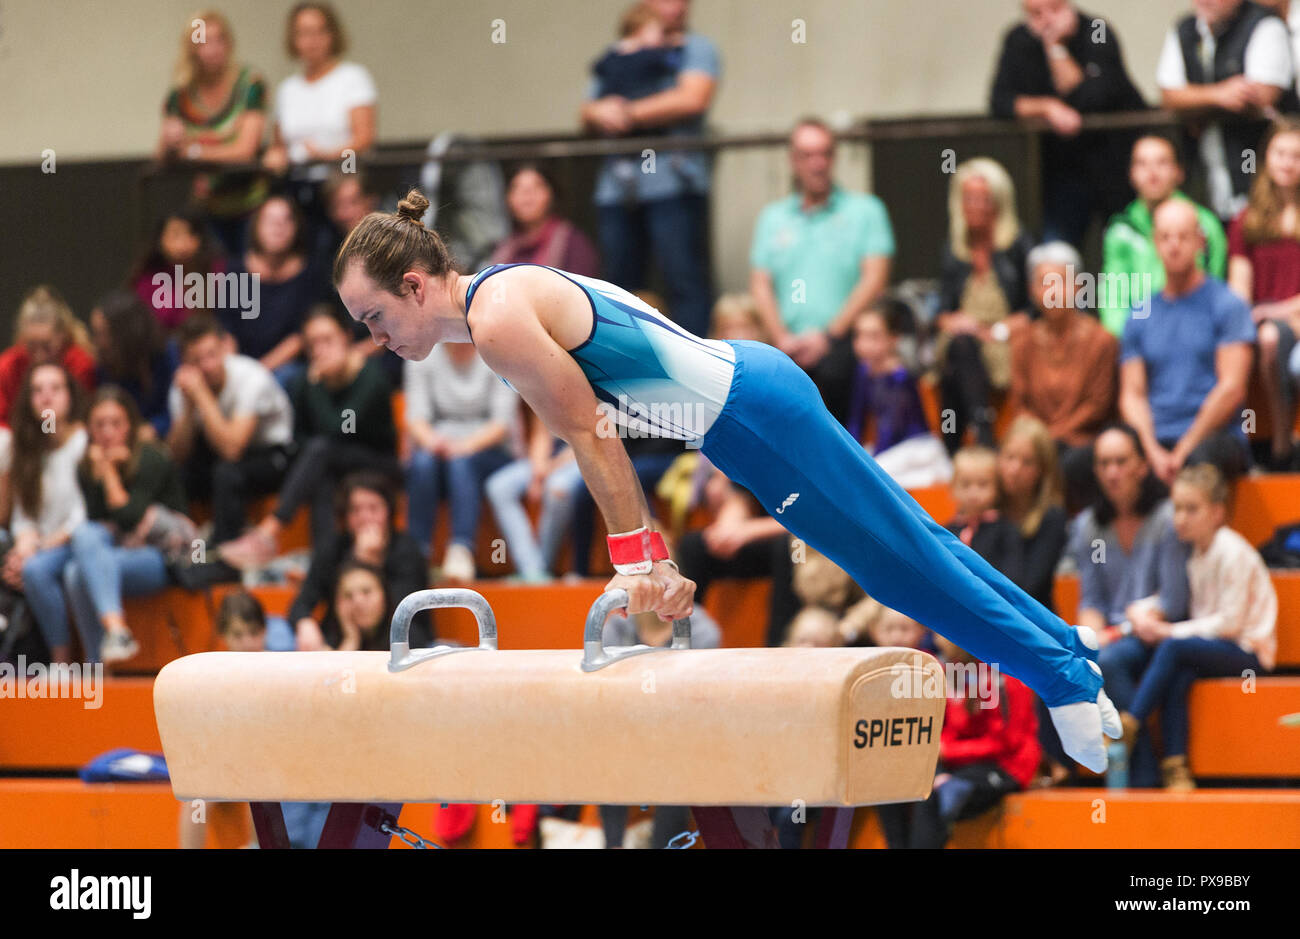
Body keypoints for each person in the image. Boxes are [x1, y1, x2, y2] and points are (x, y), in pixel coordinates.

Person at [332, 190, 1123, 772]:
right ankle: (1068, 648)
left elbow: (591, 432)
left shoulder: (499, 321)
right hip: (744, 407)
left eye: (371, 318)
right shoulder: (498, 300)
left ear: (411, 285)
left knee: (895, 565)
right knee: (912, 540)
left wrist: (640, 558)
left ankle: (1057, 681)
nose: (374, 339)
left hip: (747, 417)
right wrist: (646, 556)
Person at [1120, 463, 1277, 790]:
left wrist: (1168, 632)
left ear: (1217, 512)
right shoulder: (1195, 554)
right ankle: (1176, 766)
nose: (1181, 518)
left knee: (1174, 648)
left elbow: (1230, 623)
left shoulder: (1231, 551)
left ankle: (1130, 723)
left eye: (1192, 509)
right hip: (1220, 647)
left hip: (1250, 652)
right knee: (1180, 674)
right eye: (1177, 508)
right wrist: (1143, 609)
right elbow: (1176, 599)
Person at [217, 305, 398, 568]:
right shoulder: (303, 382)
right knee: (320, 474)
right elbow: (298, 436)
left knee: (322, 450)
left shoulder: (370, 378)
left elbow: (338, 428)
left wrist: (318, 387)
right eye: (313, 344)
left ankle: (270, 530)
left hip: (377, 462)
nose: (320, 350)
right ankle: (323, 566)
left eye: (328, 340)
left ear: (347, 337)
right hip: (328, 463)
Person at [580, 0, 719, 339]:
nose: (677, 6)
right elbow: (588, 110)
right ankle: (625, 367)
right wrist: (600, 113)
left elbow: (692, 99)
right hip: (618, 188)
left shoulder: (694, 48)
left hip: (674, 184)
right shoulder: (617, 52)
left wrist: (624, 113)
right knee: (617, 288)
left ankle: (694, 365)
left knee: (684, 282)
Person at [750, 118, 895, 424]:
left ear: (834, 157)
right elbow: (760, 284)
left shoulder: (865, 211)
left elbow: (875, 277)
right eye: (807, 155)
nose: (818, 164)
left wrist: (829, 336)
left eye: (825, 153)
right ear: (793, 161)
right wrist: (781, 337)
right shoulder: (773, 218)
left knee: (835, 376)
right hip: (785, 347)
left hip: (845, 345)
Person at [1077, 424, 1191, 787]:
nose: (1112, 472)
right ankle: (1062, 772)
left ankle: (1143, 776)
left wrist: (1115, 632)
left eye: (1121, 461)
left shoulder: (1167, 519)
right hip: (1116, 636)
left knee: (1109, 661)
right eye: (1104, 463)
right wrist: (1091, 636)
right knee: (1066, 662)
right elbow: (1091, 599)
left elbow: (1173, 601)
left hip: (1158, 633)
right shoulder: (1088, 526)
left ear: (1142, 465)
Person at [1119, 200, 1256, 485]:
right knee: (1111, 460)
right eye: (1166, 237)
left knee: (1196, 465)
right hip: (1157, 439)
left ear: (1200, 242)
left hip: (1216, 437)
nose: (1174, 245)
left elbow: (1231, 388)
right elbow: (1132, 395)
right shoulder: (1139, 314)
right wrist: (1151, 450)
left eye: (1183, 236)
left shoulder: (1227, 305)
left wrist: (1183, 450)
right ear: (1154, 243)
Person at [989, 0, 1146, 247]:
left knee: (1125, 245)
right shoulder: (1018, 40)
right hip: (1062, 175)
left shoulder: (1097, 30)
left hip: (1114, 167)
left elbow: (1093, 98)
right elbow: (1000, 101)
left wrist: (1056, 48)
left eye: (1054, 9)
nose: (1047, 20)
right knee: (1056, 252)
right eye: (1036, 14)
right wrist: (1047, 107)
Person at [876, 633, 1041, 849]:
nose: (935, 640)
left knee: (937, 791)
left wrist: (948, 751)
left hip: (1005, 766)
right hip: (959, 764)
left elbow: (1007, 742)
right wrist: (933, 748)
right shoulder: (949, 670)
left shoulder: (1003, 676)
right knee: (888, 781)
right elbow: (947, 728)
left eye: (940, 633)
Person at [67, 388, 191, 664]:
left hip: (162, 557)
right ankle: (105, 653)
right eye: (99, 424)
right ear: (89, 428)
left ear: (130, 426)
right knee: (76, 568)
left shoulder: (151, 458)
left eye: (116, 424)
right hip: (116, 553)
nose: (107, 432)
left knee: (83, 568)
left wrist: (109, 473)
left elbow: (128, 517)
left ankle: (107, 647)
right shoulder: (86, 467)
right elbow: (97, 521)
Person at [1156, 0, 1298, 222]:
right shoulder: (1185, 29)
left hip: (1259, 174)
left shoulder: (1264, 24)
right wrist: (1218, 94)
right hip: (1207, 172)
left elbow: (1261, 95)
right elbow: (1168, 96)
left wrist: (1194, 101)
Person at [166, 315, 295, 550]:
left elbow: (232, 450)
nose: (207, 366)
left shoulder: (250, 376)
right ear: (184, 361)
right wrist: (187, 409)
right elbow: (175, 455)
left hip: (274, 455)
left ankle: (226, 555)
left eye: (212, 355)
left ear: (225, 348)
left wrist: (202, 397)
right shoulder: (181, 387)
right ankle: (182, 548)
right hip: (219, 453)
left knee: (227, 472)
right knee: (175, 474)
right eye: (197, 360)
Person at [936, 158, 1037, 453]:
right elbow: (940, 310)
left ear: (999, 202)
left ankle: (956, 446)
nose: (976, 206)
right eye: (969, 198)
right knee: (960, 346)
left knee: (960, 352)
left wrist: (998, 329)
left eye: (984, 199)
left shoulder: (1018, 244)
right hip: (965, 339)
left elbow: (1036, 306)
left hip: (1004, 338)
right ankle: (980, 434)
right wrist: (956, 322)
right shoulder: (954, 249)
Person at [262, 2, 377, 261]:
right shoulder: (288, 89)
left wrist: (326, 155)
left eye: (319, 32)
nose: (312, 41)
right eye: (303, 33)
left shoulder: (352, 78)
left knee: (341, 258)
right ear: (293, 40)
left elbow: (364, 138)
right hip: (297, 189)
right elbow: (279, 142)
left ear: (332, 35)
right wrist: (275, 155)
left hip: (339, 184)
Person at [1011, 241, 1119, 510]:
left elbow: (1097, 406)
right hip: (1038, 445)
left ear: (1079, 287)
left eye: (1060, 282)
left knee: (1066, 463)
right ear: (1031, 290)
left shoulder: (1102, 341)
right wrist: (1041, 440)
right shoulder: (1022, 342)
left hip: (1084, 442)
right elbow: (1020, 403)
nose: (1052, 292)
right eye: (1044, 283)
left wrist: (1051, 437)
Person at [154, 9, 268, 258]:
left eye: (219, 40)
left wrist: (194, 150)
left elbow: (244, 151)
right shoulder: (181, 94)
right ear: (191, 48)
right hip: (207, 209)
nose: (213, 48)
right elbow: (162, 158)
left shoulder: (250, 84)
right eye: (204, 41)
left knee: (248, 285)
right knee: (214, 284)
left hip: (250, 205)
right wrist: (170, 142)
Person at [403, 337, 519, 580]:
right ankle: (417, 552)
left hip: (491, 451)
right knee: (421, 463)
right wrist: (434, 442)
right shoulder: (422, 352)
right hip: (440, 447)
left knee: (461, 463)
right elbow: (416, 418)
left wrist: (463, 446)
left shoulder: (499, 351)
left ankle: (461, 549)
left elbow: (501, 424)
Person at [1099, 135, 1228, 337]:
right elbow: (1113, 298)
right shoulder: (1120, 229)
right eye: (1142, 164)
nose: (1152, 172)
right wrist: (1130, 342)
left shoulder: (1204, 224)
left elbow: (1215, 288)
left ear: (1179, 171)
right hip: (1137, 337)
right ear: (1131, 173)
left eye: (1162, 162)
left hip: (1193, 335)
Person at [1227, 118, 1300, 469]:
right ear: (1266, 158)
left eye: (1296, 155)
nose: (1287, 162)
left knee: (1270, 338)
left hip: (1292, 318)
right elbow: (1238, 286)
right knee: (1236, 342)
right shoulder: (1247, 220)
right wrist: (1242, 316)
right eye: (1280, 153)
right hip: (1258, 316)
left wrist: (1279, 311)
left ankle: (1283, 444)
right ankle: (1243, 444)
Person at [3, 364, 88, 665]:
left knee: (36, 570)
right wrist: (24, 545)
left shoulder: (83, 443)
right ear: (27, 399)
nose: (46, 397)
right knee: (17, 562)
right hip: (41, 546)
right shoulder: (24, 448)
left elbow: (83, 514)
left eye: (55, 388)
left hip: (76, 542)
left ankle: (60, 661)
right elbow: (23, 515)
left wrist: (38, 549)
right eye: (37, 390)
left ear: (70, 396)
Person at [290, 471, 428, 652]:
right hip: (342, 636)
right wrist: (304, 622)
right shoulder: (333, 547)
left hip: (398, 638)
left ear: (388, 511)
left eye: (373, 508)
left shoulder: (407, 550)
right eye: (355, 510)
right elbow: (302, 602)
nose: (364, 518)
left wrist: (364, 562)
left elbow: (399, 612)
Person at [223, 194, 326, 390]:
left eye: (286, 220)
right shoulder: (235, 269)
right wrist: (236, 370)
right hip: (241, 362)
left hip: (288, 366)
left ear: (297, 227)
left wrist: (260, 370)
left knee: (289, 379)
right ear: (256, 226)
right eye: (271, 221)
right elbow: (227, 330)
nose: (279, 228)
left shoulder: (310, 272)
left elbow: (301, 335)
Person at [846, 301, 952, 489]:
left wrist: (867, 461)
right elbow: (856, 420)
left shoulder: (900, 376)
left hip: (916, 447)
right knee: (850, 467)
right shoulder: (863, 371)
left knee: (870, 475)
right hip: (891, 448)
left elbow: (891, 429)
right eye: (859, 335)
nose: (864, 344)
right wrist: (850, 453)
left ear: (893, 338)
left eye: (874, 336)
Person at [0, 286, 97, 429]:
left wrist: (48, 434)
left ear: (62, 335)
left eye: (47, 346)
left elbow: (79, 419)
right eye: (32, 346)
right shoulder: (8, 366)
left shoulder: (80, 364)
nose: (39, 356)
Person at [88, 290, 180, 441]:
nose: (97, 342)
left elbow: (178, 410)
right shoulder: (104, 366)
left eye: (102, 333)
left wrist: (156, 427)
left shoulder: (167, 355)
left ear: (125, 334)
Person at [488, 164, 601, 277]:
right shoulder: (502, 247)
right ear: (507, 199)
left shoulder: (574, 244)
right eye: (517, 188)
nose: (527, 195)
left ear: (552, 195)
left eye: (536, 187)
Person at [130, 209, 229, 333]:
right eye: (176, 235)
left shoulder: (217, 271)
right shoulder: (147, 278)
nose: (184, 242)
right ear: (160, 240)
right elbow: (159, 321)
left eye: (191, 234)